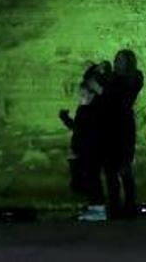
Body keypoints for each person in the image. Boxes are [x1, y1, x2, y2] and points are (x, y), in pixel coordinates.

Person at [59, 63, 111, 222]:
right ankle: (95, 206)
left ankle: (98, 209)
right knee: (89, 178)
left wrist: (67, 120)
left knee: (92, 178)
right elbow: (78, 128)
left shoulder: (92, 109)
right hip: (86, 149)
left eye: (83, 94)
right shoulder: (86, 109)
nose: (80, 97)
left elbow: (82, 129)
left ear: (91, 94)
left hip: (91, 150)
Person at [102, 48, 144, 218]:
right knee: (110, 171)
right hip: (109, 127)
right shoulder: (113, 79)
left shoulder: (132, 79)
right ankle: (115, 209)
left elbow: (121, 96)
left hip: (123, 127)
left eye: (120, 60)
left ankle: (129, 207)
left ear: (128, 63)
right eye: (116, 59)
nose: (116, 62)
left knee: (124, 167)